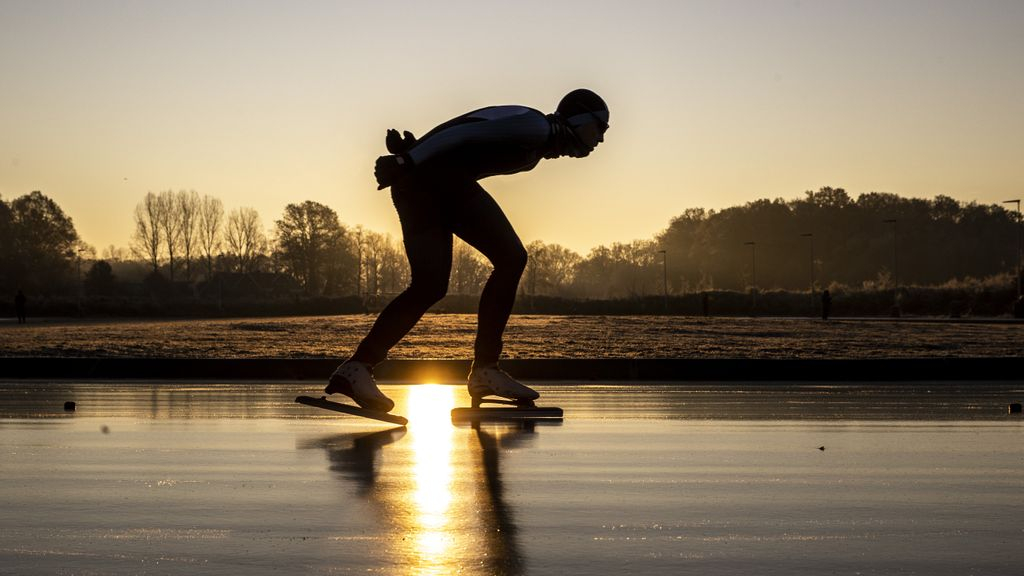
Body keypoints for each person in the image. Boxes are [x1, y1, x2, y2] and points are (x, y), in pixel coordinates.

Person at [326, 89, 610, 413]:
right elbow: (466, 131)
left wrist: (415, 151)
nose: (601, 138)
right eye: (600, 127)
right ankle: (486, 369)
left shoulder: (536, 142)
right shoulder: (535, 127)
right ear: (580, 119)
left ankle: (357, 368)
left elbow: (463, 132)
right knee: (511, 258)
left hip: (418, 185)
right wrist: (410, 158)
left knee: (429, 286)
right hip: (436, 183)